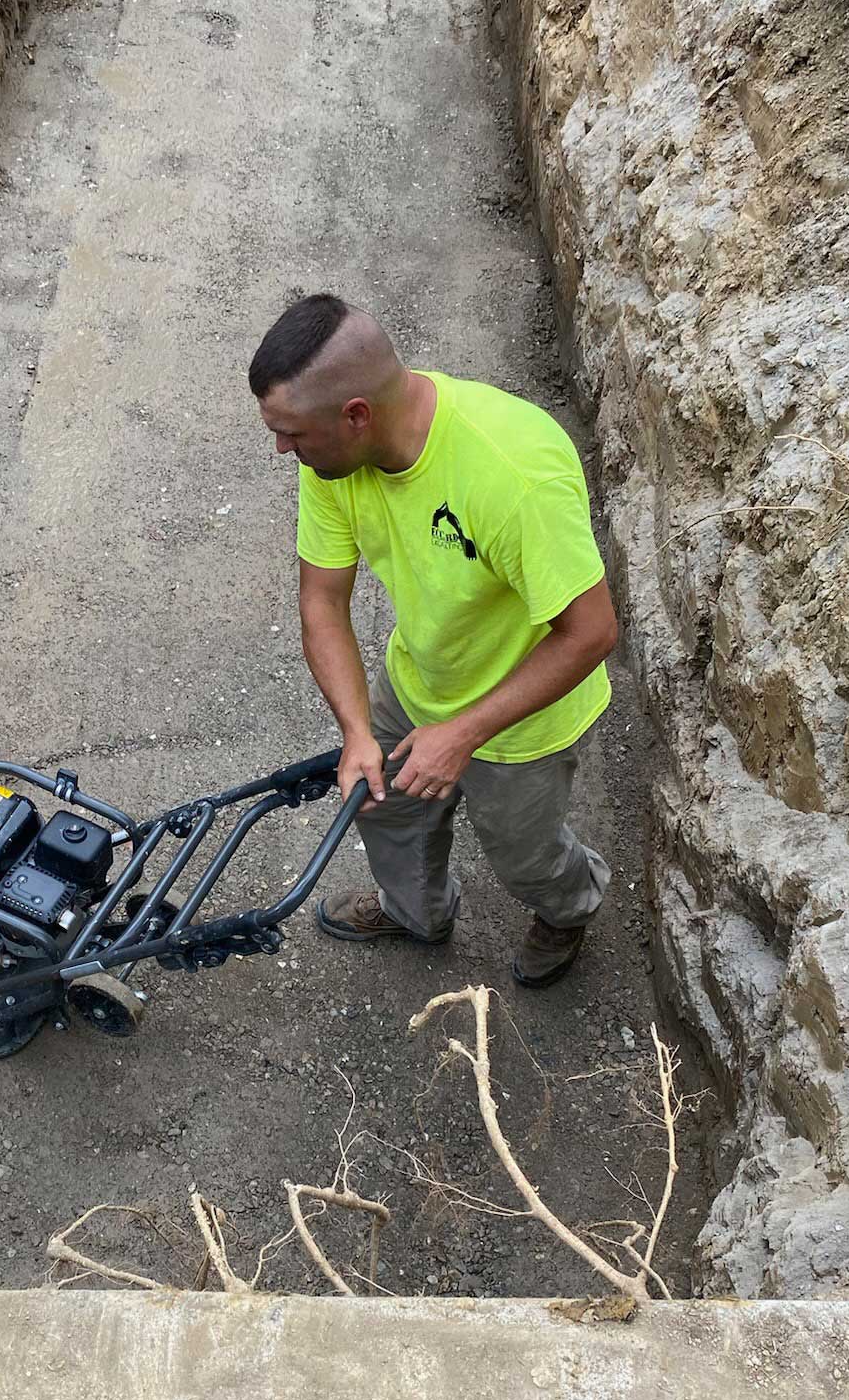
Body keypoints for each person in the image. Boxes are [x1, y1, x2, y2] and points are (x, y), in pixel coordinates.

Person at [249, 293, 618, 987]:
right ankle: (415, 912)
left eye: (291, 433)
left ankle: (567, 909)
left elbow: (591, 630)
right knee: (380, 805)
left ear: (355, 414)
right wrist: (357, 729)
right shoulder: (334, 459)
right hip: (419, 677)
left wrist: (462, 733)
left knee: (523, 855)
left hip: (524, 719)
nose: (280, 449)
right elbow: (322, 600)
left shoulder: (513, 474)